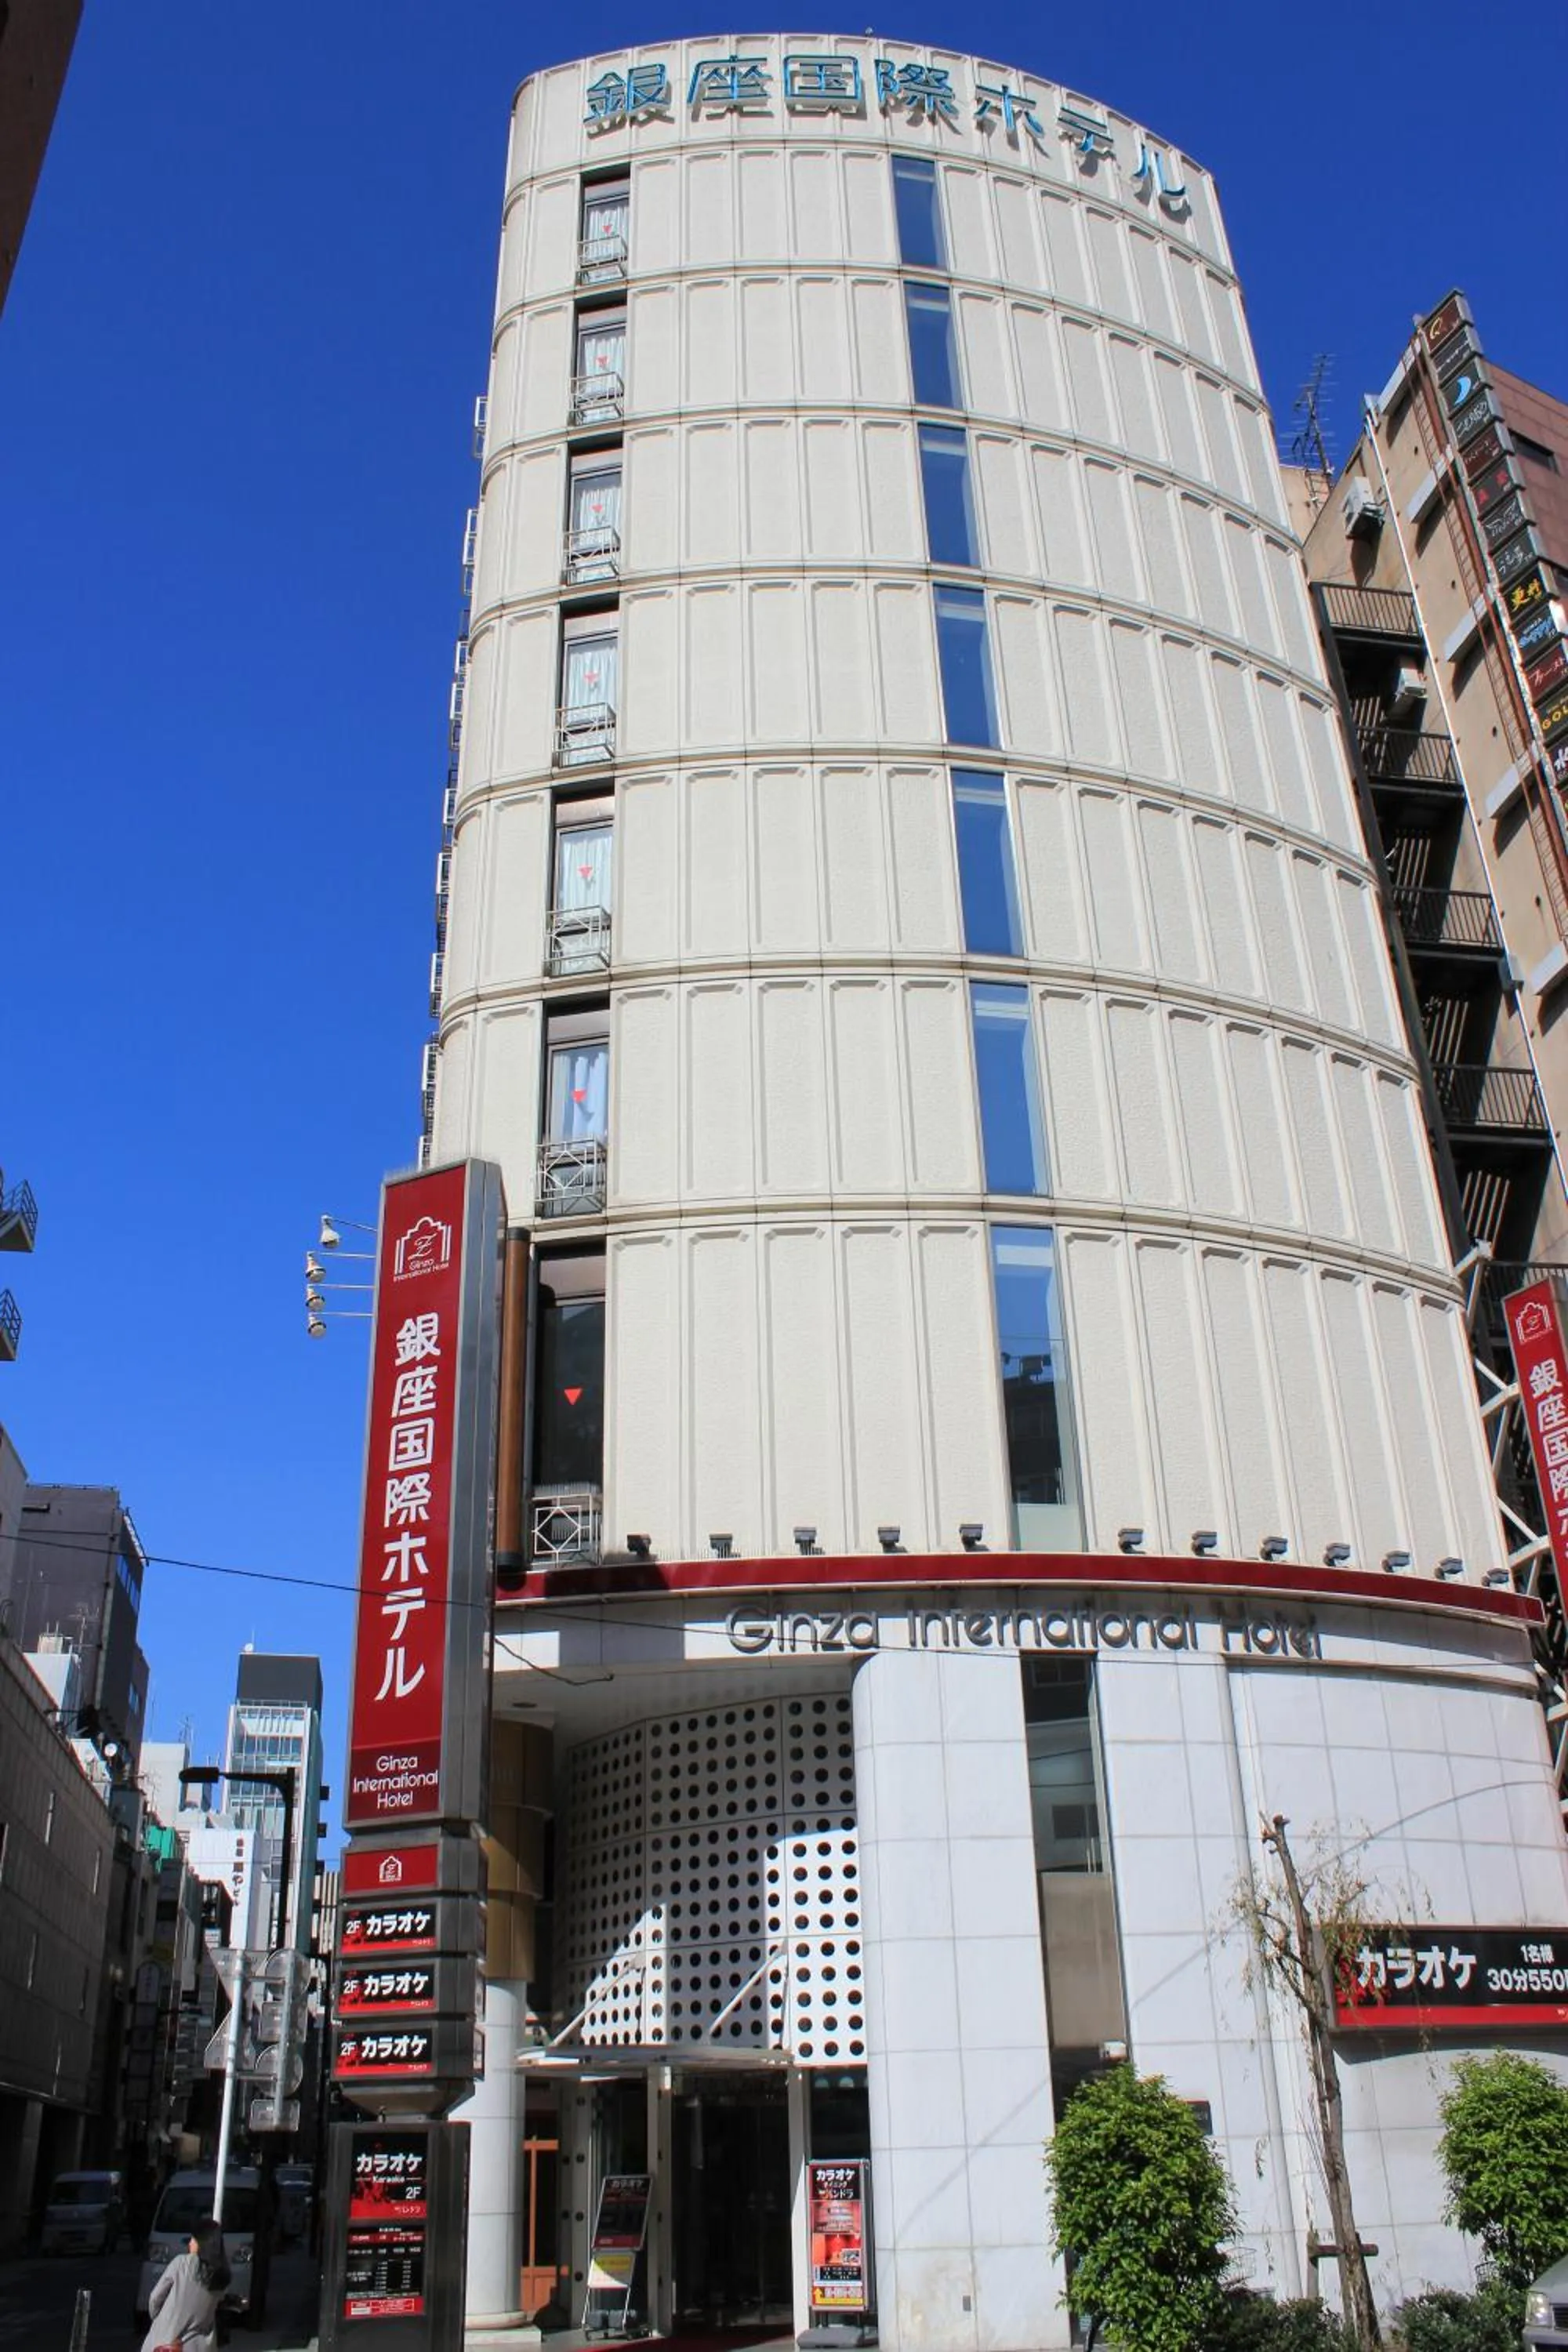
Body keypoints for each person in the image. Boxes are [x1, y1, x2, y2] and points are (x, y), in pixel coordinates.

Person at [142, 2218, 230, 2352]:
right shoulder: (221, 2275)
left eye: (193, 2239)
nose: (190, 2243)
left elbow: (155, 2298)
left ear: (201, 2243)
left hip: (168, 2344)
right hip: (199, 2346)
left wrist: (161, 2320)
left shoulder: (181, 2263)